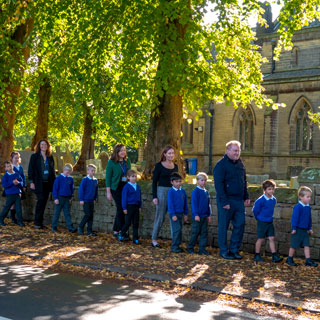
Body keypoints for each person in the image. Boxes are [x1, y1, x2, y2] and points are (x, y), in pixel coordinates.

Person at [213, 140, 250, 260]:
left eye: (238, 151)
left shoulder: (240, 164)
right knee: (223, 226)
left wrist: (246, 196)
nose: (237, 153)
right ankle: (223, 251)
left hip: (239, 201)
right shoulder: (220, 165)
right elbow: (219, 185)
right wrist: (224, 202)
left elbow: (244, 181)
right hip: (226, 200)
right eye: (235, 150)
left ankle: (234, 250)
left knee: (240, 224)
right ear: (227, 151)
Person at [151, 145, 178, 248]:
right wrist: (154, 197)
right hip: (161, 192)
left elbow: (176, 181)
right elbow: (154, 182)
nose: (171, 155)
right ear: (165, 154)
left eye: (172, 153)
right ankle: (154, 239)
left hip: (173, 192)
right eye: (169, 153)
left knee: (173, 216)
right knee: (160, 216)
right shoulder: (159, 166)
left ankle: (175, 242)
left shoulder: (175, 166)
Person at [286, 186, 318, 267]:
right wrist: (294, 228)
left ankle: (308, 260)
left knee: (306, 245)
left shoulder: (308, 207)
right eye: (307, 197)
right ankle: (289, 259)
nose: (309, 198)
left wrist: (310, 228)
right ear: (301, 197)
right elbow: (294, 218)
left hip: (305, 230)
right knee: (294, 245)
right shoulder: (298, 207)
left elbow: (309, 219)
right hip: (297, 229)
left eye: (310, 197)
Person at [252, 179, 283, 263]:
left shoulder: (273, 200)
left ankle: (274, 255)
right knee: (261, 239)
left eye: (273, 189)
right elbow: (255, 211)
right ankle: (257, 255)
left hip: (270, 222)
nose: (271, 191)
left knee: (272, 238)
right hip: (262, 222)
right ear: (264, 190)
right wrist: (259, 218)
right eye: (269, 189)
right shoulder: (260, 200)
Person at [28, 139, 56, 229]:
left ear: (48, 146)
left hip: (47, 183)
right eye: (41, 144)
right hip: (38, 183)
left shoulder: (50, 157)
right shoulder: (34, 156)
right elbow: (30, 170)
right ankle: (37, 222)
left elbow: (52, 171)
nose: (43, 146)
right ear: (39, 146)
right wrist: (31, 182)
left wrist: (54, 183)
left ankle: (40, 223)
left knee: (44, 202)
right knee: (40, 201)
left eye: (45, 144)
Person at [105, 144, 131, 238]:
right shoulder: (111, 162)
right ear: (117, 152)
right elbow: (108, 178)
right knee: (121, 208)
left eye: (124, 150)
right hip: (115, 187)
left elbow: (129, 174)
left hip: (125, 187)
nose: (123, 152)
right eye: (121, 151)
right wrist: (108, 192)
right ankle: (121, 231)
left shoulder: (127, 162)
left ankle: (116, 230)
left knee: (123, 208)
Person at [187, 172, 211, 255]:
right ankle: (190, 248)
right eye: (201, 180)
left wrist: (209, 215)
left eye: (205, 180)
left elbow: (208, 204)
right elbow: (194, 204)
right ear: (197, 181)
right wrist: (196, 214)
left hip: (205, 216)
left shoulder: (206, 192)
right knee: (195, 232)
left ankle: (202, 249)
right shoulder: (195, 192)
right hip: (198, 216)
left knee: (204, 233)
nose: (203, 182)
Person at [118, 169, 141, 244]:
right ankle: (121, 234)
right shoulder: (126, 187)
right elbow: (124, 198)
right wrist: (124, 208)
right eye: (132, 176)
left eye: (135, 176)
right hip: (129, 206)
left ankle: (135, 238)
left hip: (136, 206)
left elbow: (139, 197)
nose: (134, 178)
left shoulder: (138, 186)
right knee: (127, 222)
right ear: (128, 177)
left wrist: (140, 206)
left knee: (136, 223)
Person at [51, 163, 76, 233]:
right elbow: (55, 189)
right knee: (57, 213)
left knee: (67, 213)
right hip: (59, 198)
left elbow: (71, 189)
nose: (68, 172)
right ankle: (54, 227)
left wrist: (71, 197)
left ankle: (70, 227)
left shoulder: (71, 179)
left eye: (69, 171)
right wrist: (55, 198)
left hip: (67, 198)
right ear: (63, 170)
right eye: (67, 171)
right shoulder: (59, 178)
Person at [167, 172, 188, 253]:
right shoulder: (171, 192)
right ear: (172, 182)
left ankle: (178, 245)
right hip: (174, 214)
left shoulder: (183, 191)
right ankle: (174, 247)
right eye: (176, 181)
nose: (178, 183)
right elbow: (170, 204)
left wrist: (185, 214)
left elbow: (185, 203)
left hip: (181, 213)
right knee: (176, 230)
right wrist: (173, 214)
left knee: (180, 230)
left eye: (180, 181)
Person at [0, 161, 24, 227]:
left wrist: (18, 183)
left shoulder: (16, 174)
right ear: (5, 168)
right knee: (7, 207)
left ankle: (20, 221)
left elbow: (21, 183)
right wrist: (12, 183)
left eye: (10, 166)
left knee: (19, 208)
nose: (9, 167)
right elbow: (4, 185)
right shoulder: (6, 176)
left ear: (12, 166)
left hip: (17, 194)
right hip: (10, 194)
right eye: (7, 166)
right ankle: (1, 219)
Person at [78, 164, 98, 236]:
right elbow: (81, 190)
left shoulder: (95, 180)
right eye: (92, 170)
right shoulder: (85, 180)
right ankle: (80, 227)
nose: (93, 172)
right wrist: (81, 199)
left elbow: (96, 190)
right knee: (87, 214)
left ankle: (89, 231)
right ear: (88, 171)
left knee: (91, 216)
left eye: (94, 171)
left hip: (91, 200)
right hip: (85, 200)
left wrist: (95, 198)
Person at [9, 151, 27, 224]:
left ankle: (18, 216)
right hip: (13, 188)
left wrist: (24, 185)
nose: (17, 159)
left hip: (21, 187)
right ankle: (13, 218)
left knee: (20, 202)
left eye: (18, 158)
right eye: (15, 158)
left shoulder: (20, 167)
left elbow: (23, 177)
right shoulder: (11, 167)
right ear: (12, 158)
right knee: (13, 203)